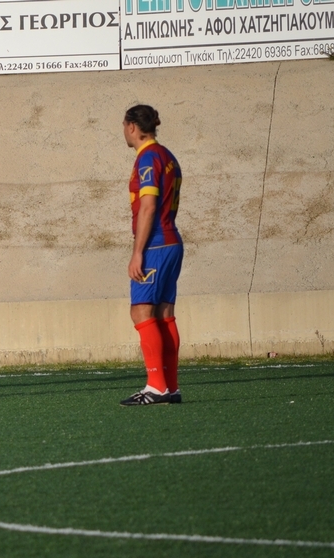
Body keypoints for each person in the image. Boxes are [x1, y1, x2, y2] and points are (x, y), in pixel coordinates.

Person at [120, 105, 183, 406]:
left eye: (124, 126)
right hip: (171, 242)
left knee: (142, 312)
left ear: (132, 127)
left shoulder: (148, 158)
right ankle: (170, 387)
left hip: (156, 244)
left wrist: (138, 252)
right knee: (164, 314)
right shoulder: (167, 156)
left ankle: (156, 387)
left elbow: (148, 207)